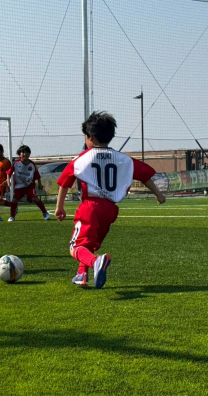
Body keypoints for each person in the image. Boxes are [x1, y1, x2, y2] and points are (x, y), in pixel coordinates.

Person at [55, 111, 166, 289]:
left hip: (90, 207)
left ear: (90, 137)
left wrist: (59, 207)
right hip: (110, 210)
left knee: (75, 247)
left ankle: (96, 262)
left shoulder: (81, 159)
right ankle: (82, 274)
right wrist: (158, 194)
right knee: (89, 243)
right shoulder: (124, 159)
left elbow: (64, 182)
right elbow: (144, 175)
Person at [6, 145, 50, 222]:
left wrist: (39, 184)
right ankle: (12, 216)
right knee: (14, 200)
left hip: (29, 186)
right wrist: (8, 181)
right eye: (23, 152)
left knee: (35, 199)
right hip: (19, 186)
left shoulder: (32, 164)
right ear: (19, 154)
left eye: (27, 152)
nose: (25, 154)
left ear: (29, 154)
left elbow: (37, 175)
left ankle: (45, 213)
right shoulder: (15, 163)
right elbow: (9, 173)